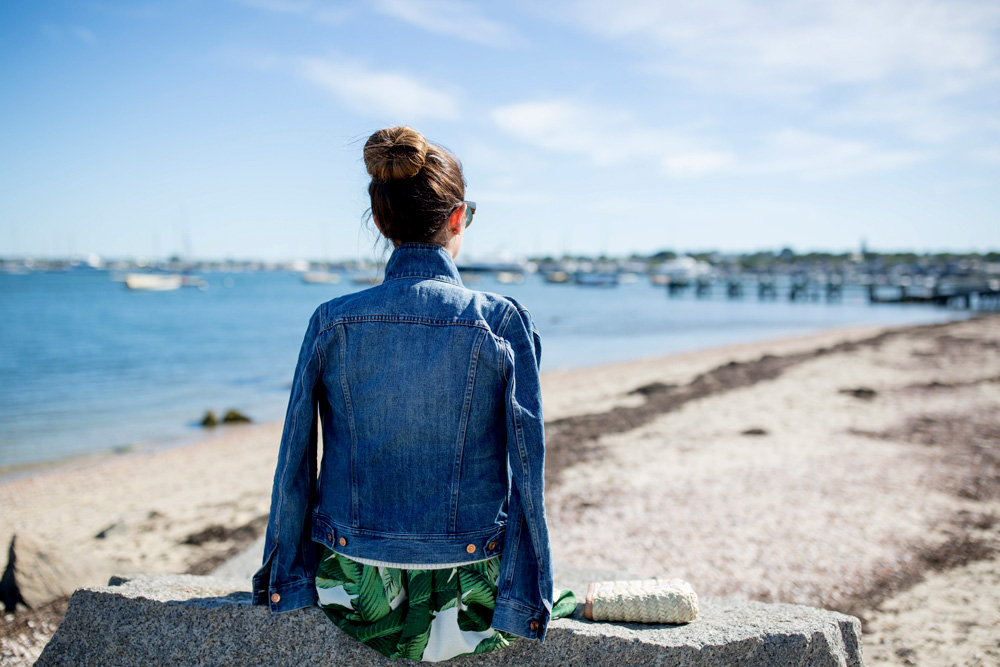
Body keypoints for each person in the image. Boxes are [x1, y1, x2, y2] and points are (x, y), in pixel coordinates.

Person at [252, 126, 574, 661]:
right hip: (472, 589)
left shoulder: (332, 321)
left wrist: (285, 578)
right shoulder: (500, 322)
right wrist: (526, 600)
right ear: (457, 217)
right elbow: (528, 473)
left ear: (379, 221)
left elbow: (294, 462)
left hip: (351, 589)